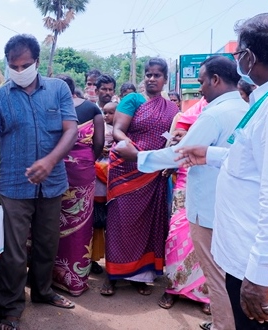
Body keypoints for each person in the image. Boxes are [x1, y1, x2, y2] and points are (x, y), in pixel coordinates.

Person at [177, 13, 268, 329]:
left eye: (239, 55)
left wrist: (260, 276)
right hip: (265, 267)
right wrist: (212, 154)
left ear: (248, 58)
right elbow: (260, 162)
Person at [118, 55, 246, 329]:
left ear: (215, 80)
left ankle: (223, 325)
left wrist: (136, 156)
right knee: (231, 275)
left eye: (201, 82)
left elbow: (180, 155)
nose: (200, 89)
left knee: (217, 277)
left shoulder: (214, 113)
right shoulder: (250, 107)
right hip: (234, 205)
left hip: (209, 206)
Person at [0, 34, 78, 330]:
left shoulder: (57, 90)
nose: (19, 71)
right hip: (15, 186)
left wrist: (50, 161)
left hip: (52, 183)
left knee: (47, 244)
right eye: (13, 66)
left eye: (25, 65)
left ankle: (43, 291)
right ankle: (11, 308)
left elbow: (71, 130)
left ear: (37, 62)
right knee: (14, 252)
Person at [101, 58, 178, 297]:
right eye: (148, 74)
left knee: (148, 224)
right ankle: (113, 275)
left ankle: (140, 276)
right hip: (126, 169)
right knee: (120, 222)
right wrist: (138, 154)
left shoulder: (172, 109)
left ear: (165, 79)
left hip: (153, 174)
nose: (151, 78)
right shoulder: (132, 100)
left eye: (157, 75)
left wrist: (166, 160)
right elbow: (118, 130)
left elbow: (175, 137)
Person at [52, 74, 104, 296]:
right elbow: (99, 144)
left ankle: (47, 277)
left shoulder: (50, 107)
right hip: (82, 171)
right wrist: (85, 160)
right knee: (81, 223)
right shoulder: (93, 110)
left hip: (53, 169)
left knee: (49, 222)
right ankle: (75, 281)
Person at [91, 101, 116, 275]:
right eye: (104, 113)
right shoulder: (98, 127)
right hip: (98, 178)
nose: (106, 116)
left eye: (110, 113)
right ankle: (93, 259)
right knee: (95, 225)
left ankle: (113, 261)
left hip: (113, 177)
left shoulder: (123, 130)